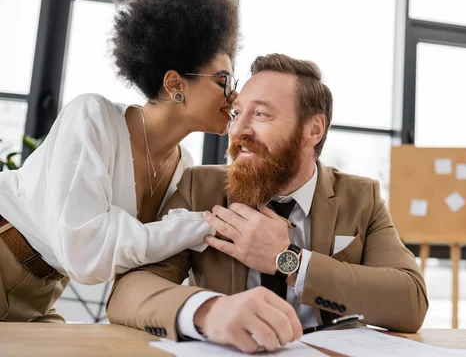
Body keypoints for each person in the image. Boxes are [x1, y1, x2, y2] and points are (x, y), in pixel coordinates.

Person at [106, 53, 428, 353]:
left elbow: (410, 301)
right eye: (236, 114)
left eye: (260, 114)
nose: (238, 130)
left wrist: (289, 260)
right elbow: (128, 290)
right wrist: (208, 310)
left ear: (313, 129)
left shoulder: (361, 198)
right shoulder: (198, 188)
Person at [0, 0, 239, 323]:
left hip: (42, 286)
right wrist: (197, 225)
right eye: (224, 80)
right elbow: (87, 255)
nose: (235, 95)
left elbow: (138, 255)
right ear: (175, 85)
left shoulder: (182, 165)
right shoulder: (92, 118)